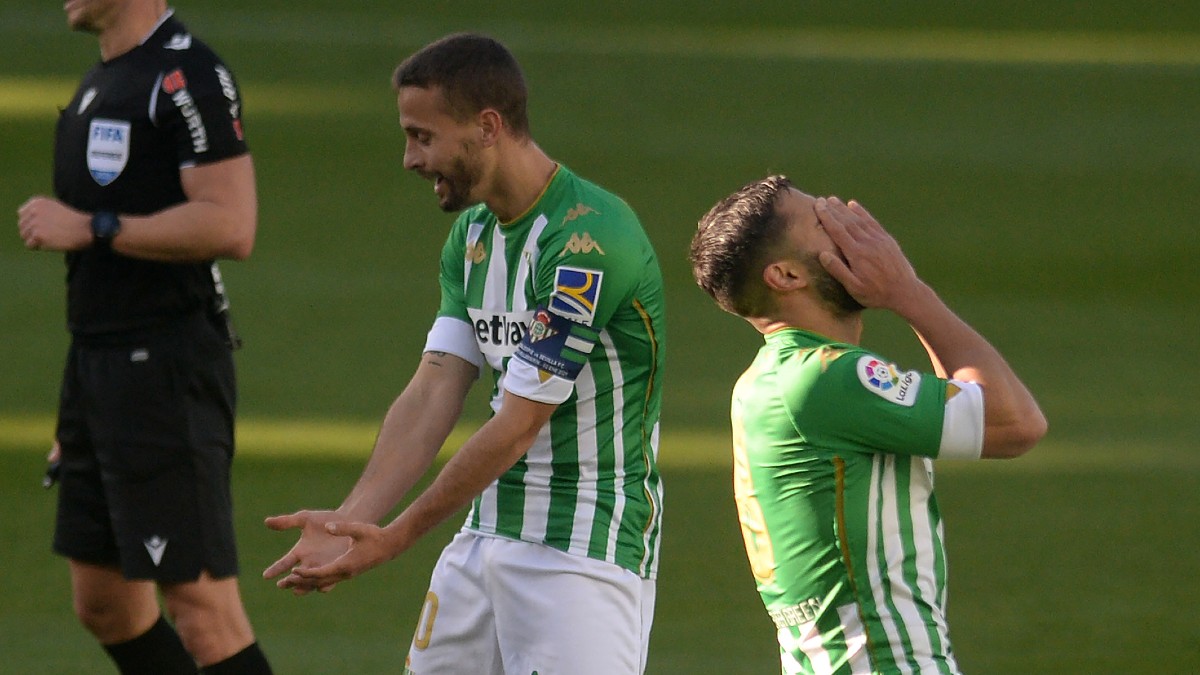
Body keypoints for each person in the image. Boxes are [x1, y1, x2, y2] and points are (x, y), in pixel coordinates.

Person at [263, 33, 667, 675]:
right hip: (485, 537)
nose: (408, 158)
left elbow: (516, 425)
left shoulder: (587, 242)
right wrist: (351, 521)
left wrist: (396, 538)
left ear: (487, 127)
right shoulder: (473, 236)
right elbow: (433, 390)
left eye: (423, 136)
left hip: (579, 554)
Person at [688, 175, 1047, 674]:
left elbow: (972, 408)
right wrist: (907, 291)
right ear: (787, 276)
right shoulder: (825, 377)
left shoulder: (767, 380)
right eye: (824, 222)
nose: (853, 226)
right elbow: (1014, 424)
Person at [16, 1, 271, 673]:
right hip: (101, 367)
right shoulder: (106, 77)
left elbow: (232, 222)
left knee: (202, 610)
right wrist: (82, 409)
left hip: (164, 364)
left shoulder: (187, 75)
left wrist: (95, 226)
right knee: (104, 602)